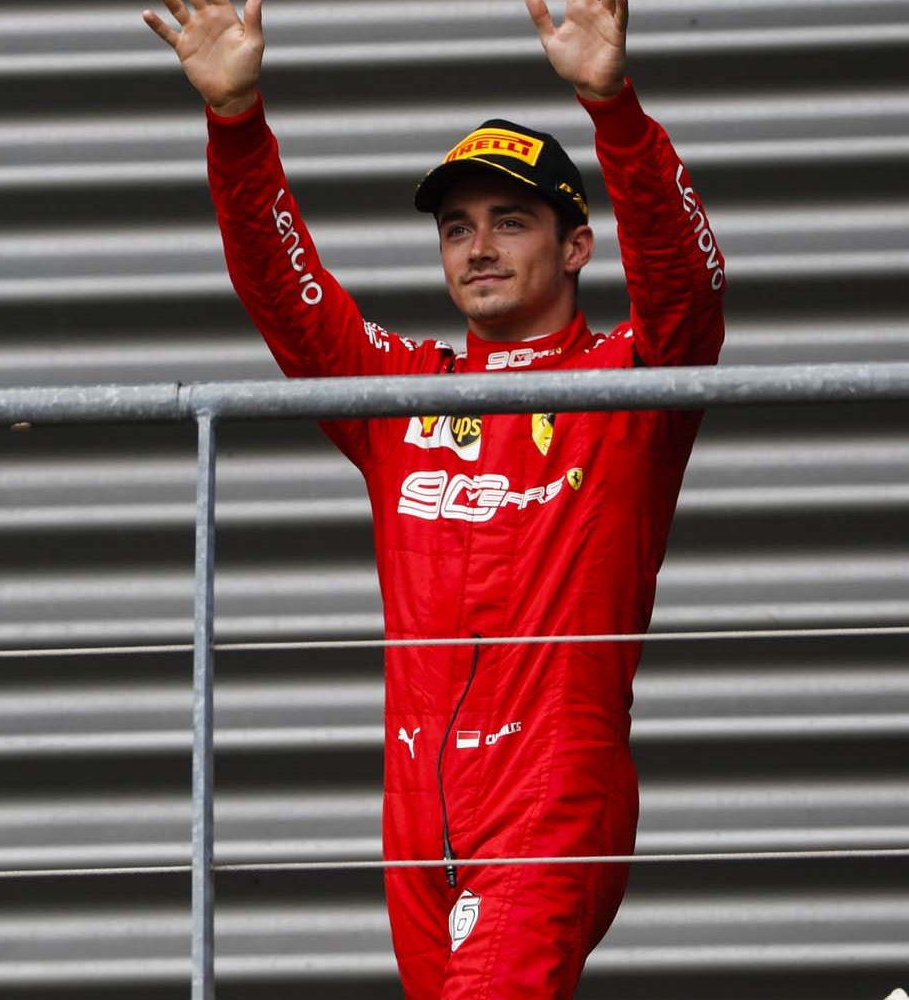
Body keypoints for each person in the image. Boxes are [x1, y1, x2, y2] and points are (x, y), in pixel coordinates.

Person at [145, 0, 725, 996]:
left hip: (552, 790)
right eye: (457, 227)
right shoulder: (400, 395)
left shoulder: (630, 387)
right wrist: (236, 122)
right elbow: (291, 301)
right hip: (415, 811)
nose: (479, 247)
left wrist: (610, 104)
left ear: (577, 246)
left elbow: (690, 290)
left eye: (510, 220)